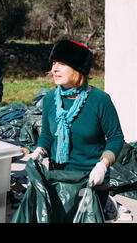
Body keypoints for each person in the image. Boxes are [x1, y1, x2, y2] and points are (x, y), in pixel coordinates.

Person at [30, 39, 124, 209]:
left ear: (78, 68)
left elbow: (116, 138)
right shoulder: (50, 100)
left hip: (90, 180)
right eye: (53, 63)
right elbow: (48, 135)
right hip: (59, 179)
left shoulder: (100, 100)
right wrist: (40, 150)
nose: (54, 69)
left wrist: (103, 165)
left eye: (62, 64)